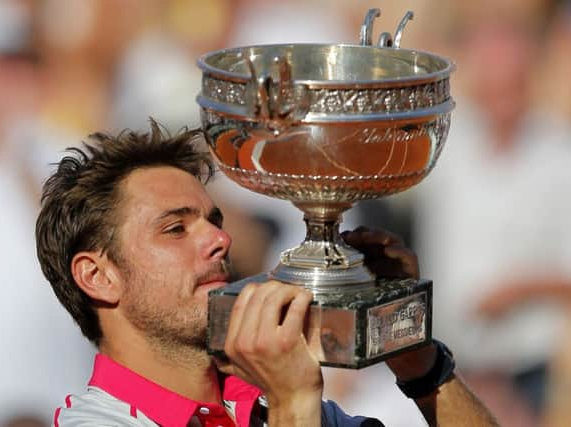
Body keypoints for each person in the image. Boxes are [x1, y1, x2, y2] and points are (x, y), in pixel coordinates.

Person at [35, 120, 499, 426]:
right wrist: (294, 405)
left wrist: (415, 355)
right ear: (98, 275)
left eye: (214, 222)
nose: (220, 241)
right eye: (176, 228)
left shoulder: (260, 403)